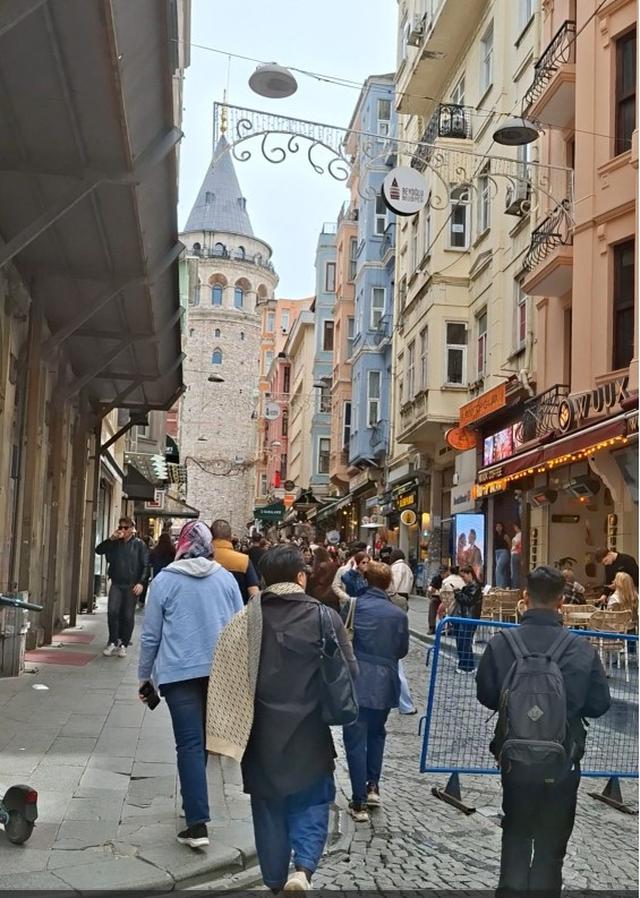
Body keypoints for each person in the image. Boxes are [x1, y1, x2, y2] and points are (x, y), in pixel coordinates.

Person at [476, 566, 611, 896]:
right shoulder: (580, 649)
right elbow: (599, 704)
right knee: (551, 846)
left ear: (525, 597)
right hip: (562, 760)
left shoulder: (502, 643)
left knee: (516, 833)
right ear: (561, 601)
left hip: (515, 759)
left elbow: (487, 695)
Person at [240, 545, 356, 892]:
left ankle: (275, 882)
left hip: (262, 736)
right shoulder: (325, 617)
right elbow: (349, 672)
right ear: (300, 577)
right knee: (312, 802)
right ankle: (302, 871)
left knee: (268, 810)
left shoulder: (247, 618)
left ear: (265, 580)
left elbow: (230, 674)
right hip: (310, 732)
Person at [137, 521, 243, 849]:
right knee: (204, 743)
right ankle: (193, 807)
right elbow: (240, 626)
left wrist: (144, 675)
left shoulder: (165, 580)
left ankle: (197, 823)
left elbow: (151, 635)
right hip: (219, 672)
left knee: (189, 744)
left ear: (182, 545)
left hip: (178, 673)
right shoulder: (225, 578)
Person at [343, 561, 409, 823]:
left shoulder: (354, 606)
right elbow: (401, 650)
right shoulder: (398, 614)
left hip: (358, 678)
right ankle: (373, 786)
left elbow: (342, 641)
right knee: (377, 733)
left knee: (355, 738)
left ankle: (358, 799)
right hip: (384, 680)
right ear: (388, 583)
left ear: (366, 580)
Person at [96, 516, 149, 658]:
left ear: (132, 529)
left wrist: (141, 582)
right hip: (117, 583)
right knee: (112, 612)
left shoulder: (139, 544)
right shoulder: (115, 543)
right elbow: (98, 550)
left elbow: (145, 565)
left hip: (132, 584)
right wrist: (110, 539)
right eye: (121, 527)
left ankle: (124, 644)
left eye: (126, 527)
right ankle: (113, 641)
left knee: (127, 615)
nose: (123, 530)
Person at [210, 519, 260, 603]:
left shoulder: (203, 560)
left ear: (211, 536)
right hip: (239, 609)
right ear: (230, 537)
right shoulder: (243, 560)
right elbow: (254, 594)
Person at [451, 565, 483, 672]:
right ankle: (466, 665)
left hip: (469, 617)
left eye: (463, 576)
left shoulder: (475, 587)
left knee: (464, 642)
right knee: (462, 641)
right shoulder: (470, 587)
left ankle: (466, 666)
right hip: (466, 617)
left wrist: (458, 593)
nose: (463, 579)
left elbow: (469, 601)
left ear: (470, 574)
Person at [331, 542, 368, 607]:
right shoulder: (343, 570)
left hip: (363, 603)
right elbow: (335, 586)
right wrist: (346, 597)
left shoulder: (366, 570)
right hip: (346, 604)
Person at [306, 546, 340, 612]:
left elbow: (314, 581)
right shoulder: (334, 565)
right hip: (333, 597)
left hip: (321, 598)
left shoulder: (320, 567)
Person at [428, 566, 448, 634]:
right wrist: (431, 590)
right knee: (432, 603)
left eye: (444, 573)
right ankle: (432, 627)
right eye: (441, 573)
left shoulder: (449, 579)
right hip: (438, 597)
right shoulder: (436, 578)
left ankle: (447, 627)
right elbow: (431, 588)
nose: (442, 574)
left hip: (447, 598)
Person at [494, 522, 511, 588]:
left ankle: (499, 587)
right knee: (502, 571)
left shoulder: (505, 535)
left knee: (498, 569)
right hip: (497, 553)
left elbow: (509, 544)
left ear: (502, 527)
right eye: (497, 526)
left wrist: (510, 552)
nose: (498, 528)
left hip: (504, 552)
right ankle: (504, 587)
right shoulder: (495, 535)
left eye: (499, 526)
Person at [510, 523, 522, 588]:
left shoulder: (519, 535)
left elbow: (516, 544)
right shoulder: (519, 534)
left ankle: (515, 587)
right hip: (518, 553)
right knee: (518, 572)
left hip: (515, 553)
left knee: (514, 573)